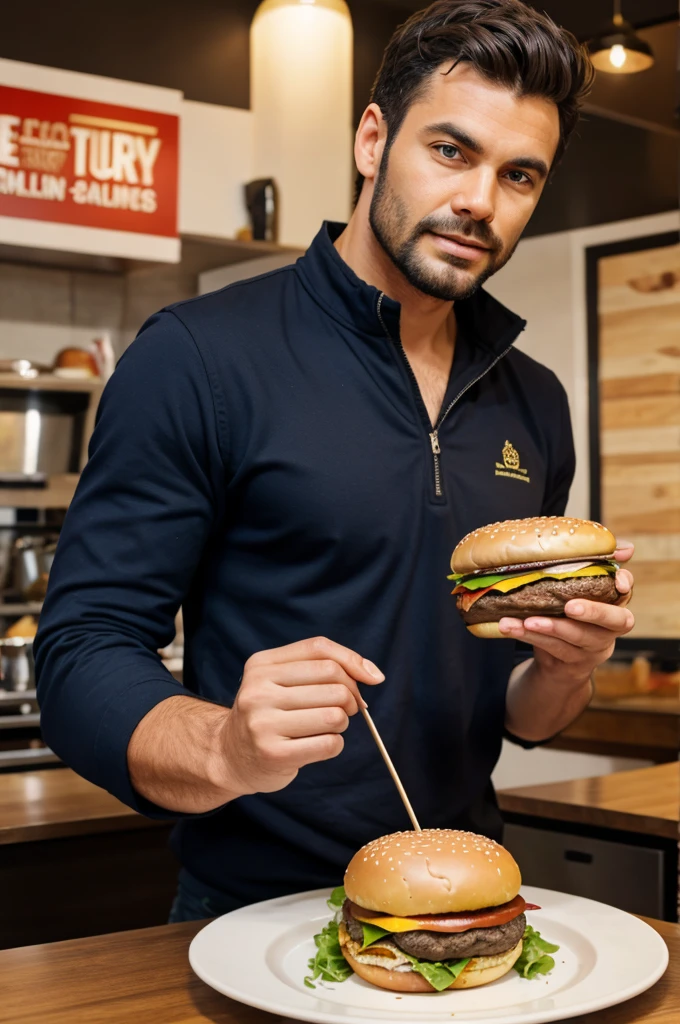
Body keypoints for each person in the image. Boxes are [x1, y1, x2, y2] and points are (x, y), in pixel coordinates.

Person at [35, 0, 634, 923]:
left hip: (468, 910)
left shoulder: (535, 399)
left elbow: (518, 716)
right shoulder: (198, 357)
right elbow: (81, 654)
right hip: (247, 915)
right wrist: (225, 747)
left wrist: (565, 669)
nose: (481, 199)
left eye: (520, 174)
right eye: (450, 151)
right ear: (371, 140)